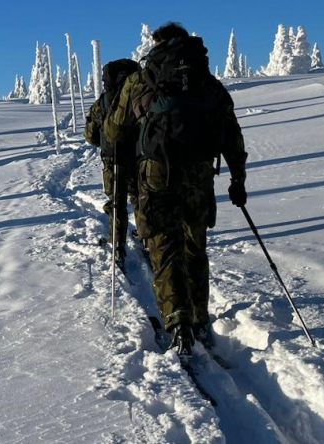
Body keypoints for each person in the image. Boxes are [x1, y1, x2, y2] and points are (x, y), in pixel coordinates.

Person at [103, 22, 249, 354]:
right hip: (199, 176)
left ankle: (177, 322)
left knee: (163, 247)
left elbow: (113, 132)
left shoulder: (141, 80)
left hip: (155, 175)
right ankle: (199, 320)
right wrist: (237, 178)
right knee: (194, 247)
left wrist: (119, 166)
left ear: (157, 43)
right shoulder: (207, 83)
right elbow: (231, 132)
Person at [84, 59, 143, 270]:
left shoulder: (104, 101)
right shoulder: (141, 98)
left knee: (116, 201)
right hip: (139, 156)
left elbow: (90, 135)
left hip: (113, 158)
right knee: (138, 197)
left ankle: (116, 243)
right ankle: (145, 236)